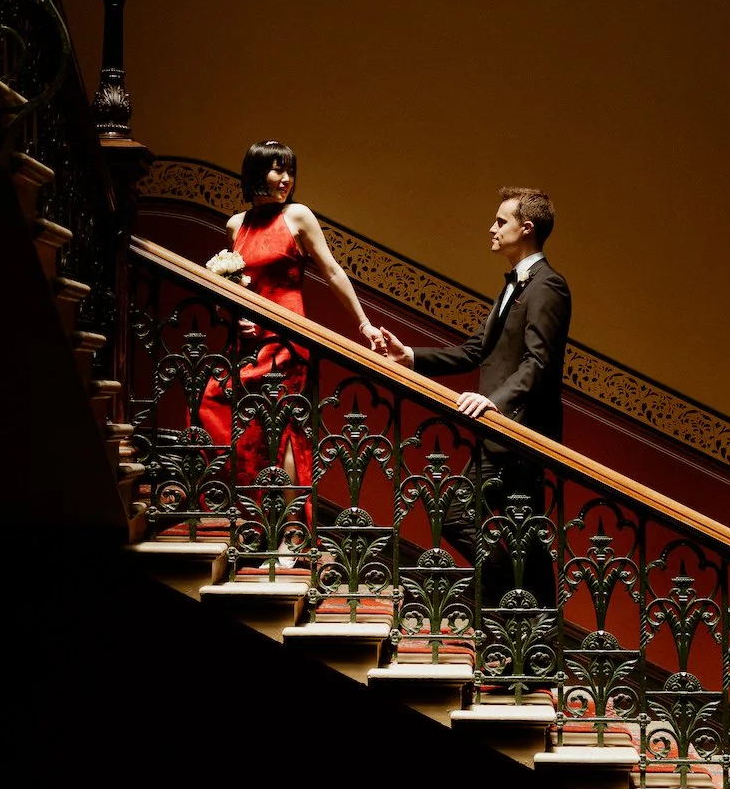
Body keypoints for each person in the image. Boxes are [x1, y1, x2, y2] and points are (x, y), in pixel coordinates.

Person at [372, 187, 570, 612]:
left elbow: (539, 363)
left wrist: (494, 402)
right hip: (502, 430)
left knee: (469, 518)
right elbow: (474, 349)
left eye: (501, 221)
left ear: (527, 228)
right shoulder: (515, 285)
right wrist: (409, 356)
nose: (492, 228)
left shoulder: (549, 286)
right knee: (523, 537)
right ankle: (528, 619)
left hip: (520, 433)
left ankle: (522, 614)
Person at [197, 141, 382, 547]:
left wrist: (364, 324)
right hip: (249, 341)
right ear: (254, 173)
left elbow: (332, 271)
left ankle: (292, 534)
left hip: (287, 337)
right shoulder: (236, 224)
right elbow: (236, 287)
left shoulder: (296, 216)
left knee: (281, 428)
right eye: (276, 170)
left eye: (290, 171)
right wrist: (236, 315)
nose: (285, 179)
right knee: (217, 404)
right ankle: (256, 516)